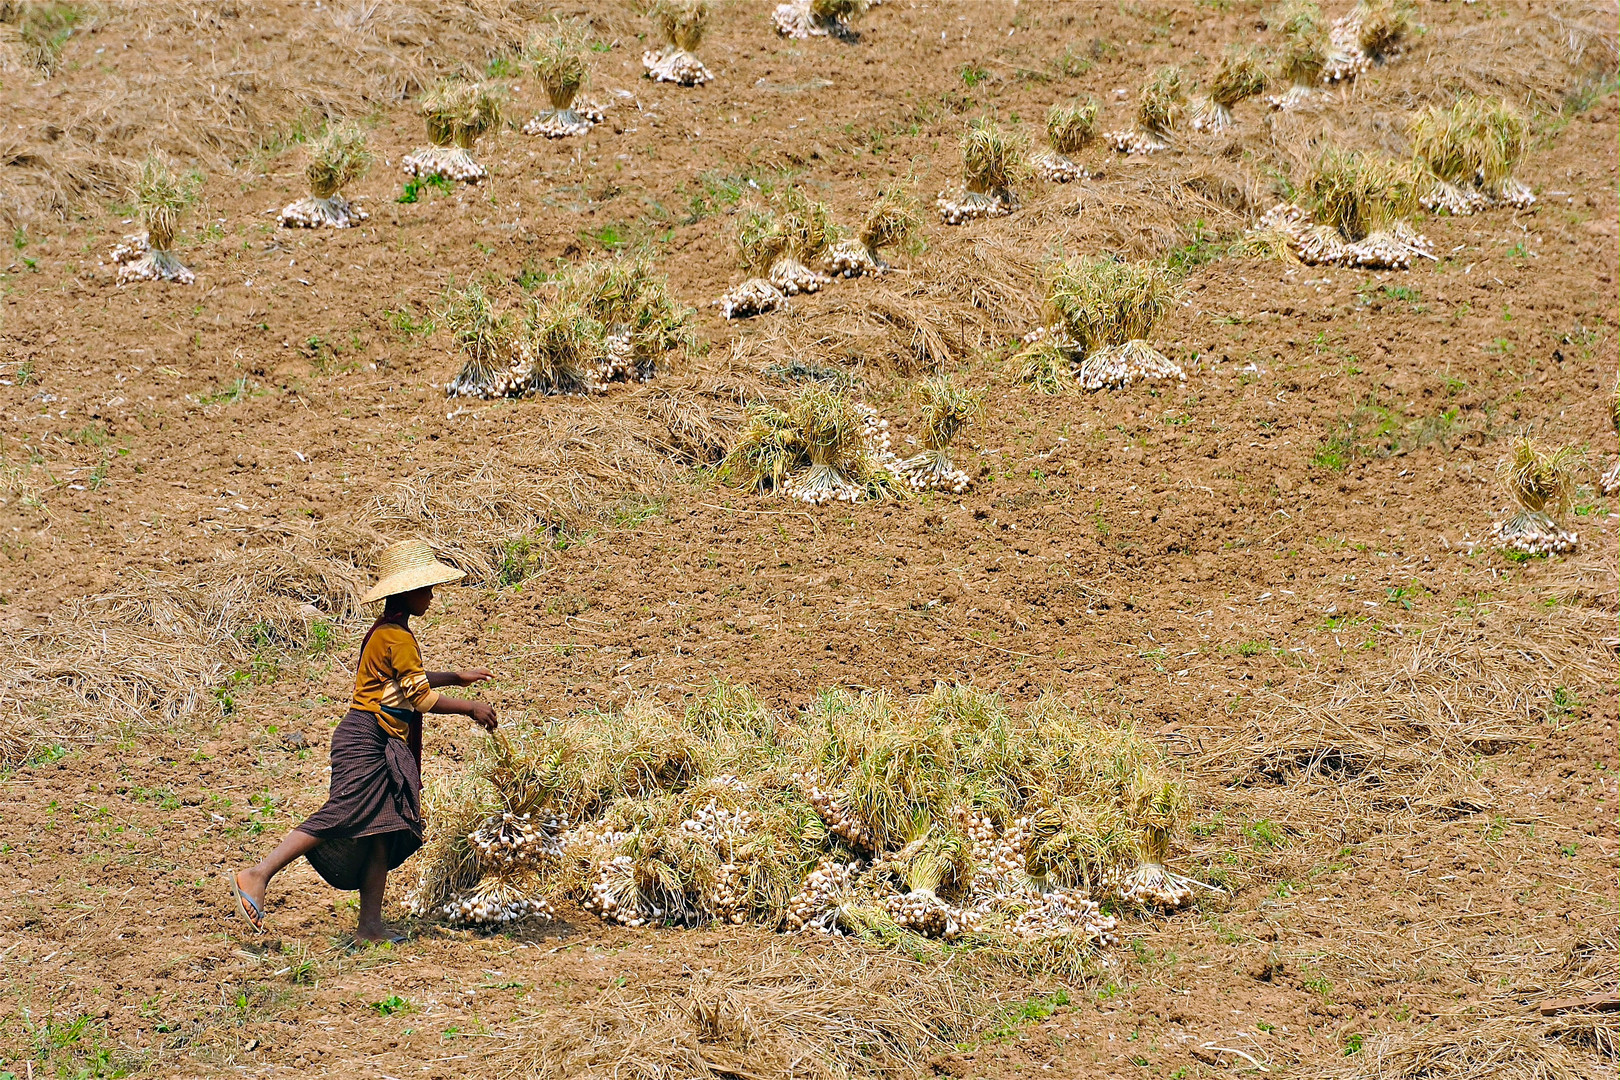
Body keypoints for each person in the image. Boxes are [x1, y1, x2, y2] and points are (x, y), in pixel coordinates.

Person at [228, 538, 498, 943]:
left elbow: (406, 682)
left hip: (372, 736)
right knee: (343, 813)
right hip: (366, 739)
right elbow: (421, 698)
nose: (431, 597)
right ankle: (258, 873)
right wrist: (469, 707)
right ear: (406, 593)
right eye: (426, 589)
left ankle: (370, 927)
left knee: (381, 829)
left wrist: (456, 677)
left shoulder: (388, 632)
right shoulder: (398, 638)